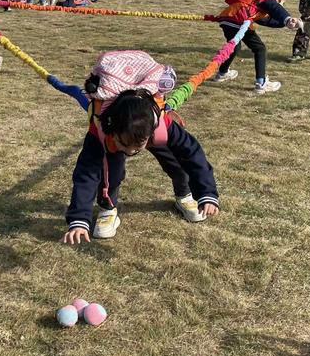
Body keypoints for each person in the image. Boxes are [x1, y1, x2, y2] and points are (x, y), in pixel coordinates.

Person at [62, 85, 219, 245]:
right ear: (112, 130)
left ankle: (184, 194)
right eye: (125, 144)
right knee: (111, 174)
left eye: (137, 146)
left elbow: (192, 154)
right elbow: (86, 174)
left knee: (176, 163)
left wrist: (207, 192)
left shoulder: (163, 125)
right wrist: (79, 218)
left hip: (147, 131)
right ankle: (107, 208)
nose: (130, 151)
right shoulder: (100, 132)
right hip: (112, 139)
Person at [213, 0, 302, 94]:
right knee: (260, 49)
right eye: (282, 2)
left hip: (228, 18)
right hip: (239, 20)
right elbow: (275, 8)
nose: (282, 5)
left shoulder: (257, 0)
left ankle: (222, 73)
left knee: (234, 47)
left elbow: (265, 20)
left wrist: (283, 23)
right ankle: (261, 83)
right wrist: (287, 19)